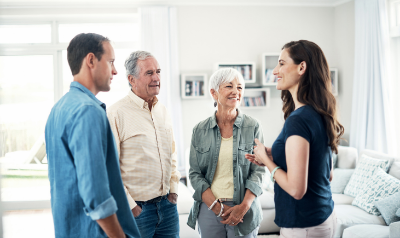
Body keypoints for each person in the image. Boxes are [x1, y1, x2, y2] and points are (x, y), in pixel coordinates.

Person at [45, 33, 140, 238]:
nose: (115, 71)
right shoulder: (88, 111)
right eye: (111, 62)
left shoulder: (58, 109)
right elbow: (97, 197)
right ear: (91, 60)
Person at [246, 40, 344, 238]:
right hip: (322, 217)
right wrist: (273, 153)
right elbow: (326, 173)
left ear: (302, 67)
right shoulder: (319, 113)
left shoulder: (298, 120)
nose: (274, 71)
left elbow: (296, 189)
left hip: (304, 226)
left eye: (281, 63)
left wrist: (266, 161)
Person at [107, 51, 181, 238]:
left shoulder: (162, 110)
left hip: (168, 207)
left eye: (158, 71)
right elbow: (109, 167)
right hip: (138, 211)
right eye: (149, 73)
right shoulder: (116, 113)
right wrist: (131, 206)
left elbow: (171, 153)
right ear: (132, 79)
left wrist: (174, 191)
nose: (156, 78)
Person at [187, 68, 265, 238]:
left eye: (240, 87)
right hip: (209, 208)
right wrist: (217, 207)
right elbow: (194, 174)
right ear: (214, 93)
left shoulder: (253, 126)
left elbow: (258, 171)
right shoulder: (200, 130)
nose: (236, 92)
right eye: (229, 86)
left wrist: (244, 207)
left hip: (244, 208)